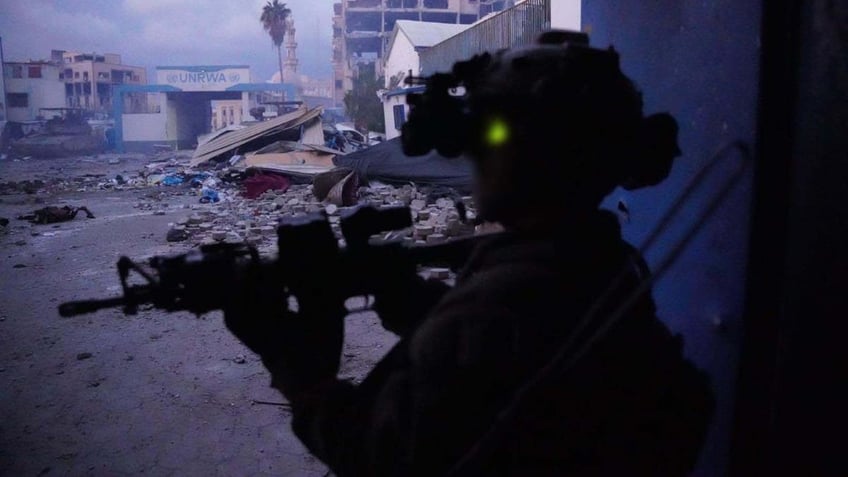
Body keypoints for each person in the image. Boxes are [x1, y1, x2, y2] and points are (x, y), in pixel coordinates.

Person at [224, 31, 714, 476]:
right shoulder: (605, 260)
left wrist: (304, 380)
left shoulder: (499, 305)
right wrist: (413, 302)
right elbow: (506, 371)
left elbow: (382, 456)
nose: (474, 153)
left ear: (544, 152)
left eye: (493, 135)